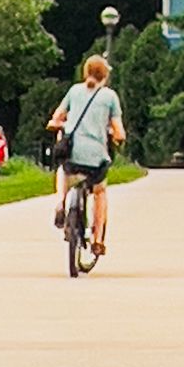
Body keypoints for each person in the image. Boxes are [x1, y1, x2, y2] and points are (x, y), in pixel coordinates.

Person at [48, 53, 128, 260]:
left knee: (63, 171)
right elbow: (119, 132)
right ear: (105, 76)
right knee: (100, 192)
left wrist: (59, 125)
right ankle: (98, 240)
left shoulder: (74, 91)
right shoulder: (110, 97)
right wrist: (116, 137)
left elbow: (56, 117)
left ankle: (60, 203)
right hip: (96, 157)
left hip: (73, 152)